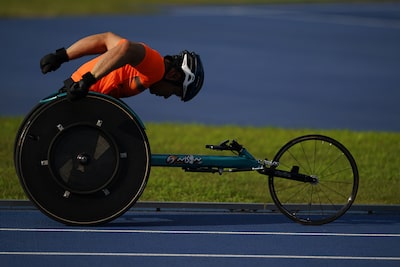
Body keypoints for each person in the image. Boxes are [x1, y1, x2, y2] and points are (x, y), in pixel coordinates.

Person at [40, 32, 204, 101]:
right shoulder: (156, 68)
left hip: (78, 91)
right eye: (175, 92)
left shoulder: (149, 70)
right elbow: (126, 48)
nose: (167, 97)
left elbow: (106, 39)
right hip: (83, 95)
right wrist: (89, 80)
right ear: (174, 75)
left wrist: (62, 56)